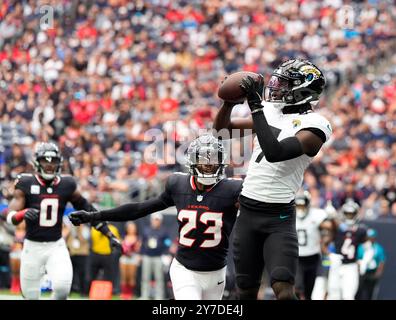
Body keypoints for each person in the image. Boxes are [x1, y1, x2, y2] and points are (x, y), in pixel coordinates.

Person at [70, 134, 243, 300]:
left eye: (213, 158)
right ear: (193, 160)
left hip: (217, 272)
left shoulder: (233, 189)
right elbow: (139, 208)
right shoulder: (178, 184)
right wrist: (94, 216)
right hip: (185, 269)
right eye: (204, 159)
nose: (208, 164)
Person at [213, 58, 332, 300]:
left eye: (286, 84)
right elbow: (222, 131)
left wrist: (256, 106)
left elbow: (275, 153)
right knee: (244, 290)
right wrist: (228, 103)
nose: (277, 87)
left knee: (284, 290)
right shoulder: (270, 110)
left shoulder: (316, 125)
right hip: (247, 210)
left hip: (278, 216)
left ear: (303, 90)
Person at [6, 142, 122, 300]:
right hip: (32, 246)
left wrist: (108, 233)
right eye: (45, 161)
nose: (49, 165)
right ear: (37, 163)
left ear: (59, 163)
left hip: (56, 245)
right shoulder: (26, 182)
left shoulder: (66, 184)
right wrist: (22, 214)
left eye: (52, 161)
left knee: (62, 289)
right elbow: (9, 215)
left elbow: (88, 210)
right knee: (30, 296)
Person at [327, 201, 367, 300]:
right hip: (336, 264)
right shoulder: (337, 228)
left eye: (351, 214)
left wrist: (363, 260)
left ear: (356, 214)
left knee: (348, 296)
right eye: (347, 214)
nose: (349, 216)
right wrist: (332, 217)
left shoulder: (361, 230)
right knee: (333, 295)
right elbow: (325, 240)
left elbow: (367, 246)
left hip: (351, 266)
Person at [294, 190, 327, 300]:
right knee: (298, 288)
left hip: (313, 256)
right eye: (298, 205)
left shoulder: (316, 215)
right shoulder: (290, 215)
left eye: (303, 205)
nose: (300, 208)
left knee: (309, 290)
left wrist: (325, 241)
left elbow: (330, 226)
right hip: (297, 257)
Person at [140, 213, 171, 300]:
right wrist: (140, 254)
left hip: (158, 257)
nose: (156, 221)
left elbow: (167, 243)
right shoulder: (146, 230)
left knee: (159, 278)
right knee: (145, 277)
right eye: (154, 219)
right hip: (147, 256)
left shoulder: (164, 231)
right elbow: (142, 243)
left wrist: (166, 253)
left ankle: (159, 297)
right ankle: (144, 296)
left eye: (157, 220)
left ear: (160, 221)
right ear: (151, 220)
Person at [355, 228, 386, 300]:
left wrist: (378, 272)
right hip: (362, 273)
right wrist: (358, 270)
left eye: (372, 237)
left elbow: (381, 261)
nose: (370, 239)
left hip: (372, 272)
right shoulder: (361, 247)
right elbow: (358, 259)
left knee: (370, 293)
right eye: (368, 237)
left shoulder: (378, 248)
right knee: (358, 291)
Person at [119, 221, 141, 299]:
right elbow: (121, 248)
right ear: (127, 229)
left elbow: (138, 249)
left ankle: (130, 293)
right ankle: (124, 293)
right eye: (130, 228)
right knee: (124, 277)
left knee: (131, 277)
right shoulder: (124, 237)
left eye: (133, 228)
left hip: (133, 258)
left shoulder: (137, 238)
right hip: (124, 258)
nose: (132, 229)